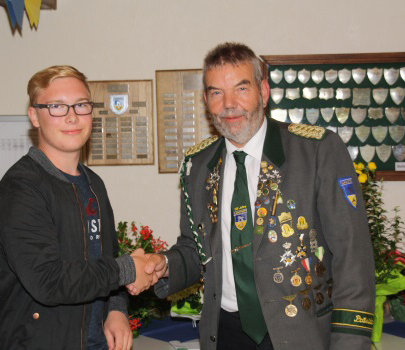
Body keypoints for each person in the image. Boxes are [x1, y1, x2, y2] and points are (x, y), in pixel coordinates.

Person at [140, 43, 376, 350]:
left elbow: (352, 258)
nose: (229, 104)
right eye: (216, 93)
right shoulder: (197, 166)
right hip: (223, 334)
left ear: (263, 92)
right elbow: (195, 249)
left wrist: (349, 344)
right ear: (206, 101)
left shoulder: (316, 151)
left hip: (301, 335)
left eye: (241, 88)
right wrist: (165, 263)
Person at [0, 65, 154, 350]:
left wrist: (116, 308)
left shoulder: (94, 185)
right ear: (34, 116)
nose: (72, 116)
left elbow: (107, 255)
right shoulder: (20, 189)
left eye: (81, 105)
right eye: (56, 106)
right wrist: (127, 270)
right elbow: (48, 280)